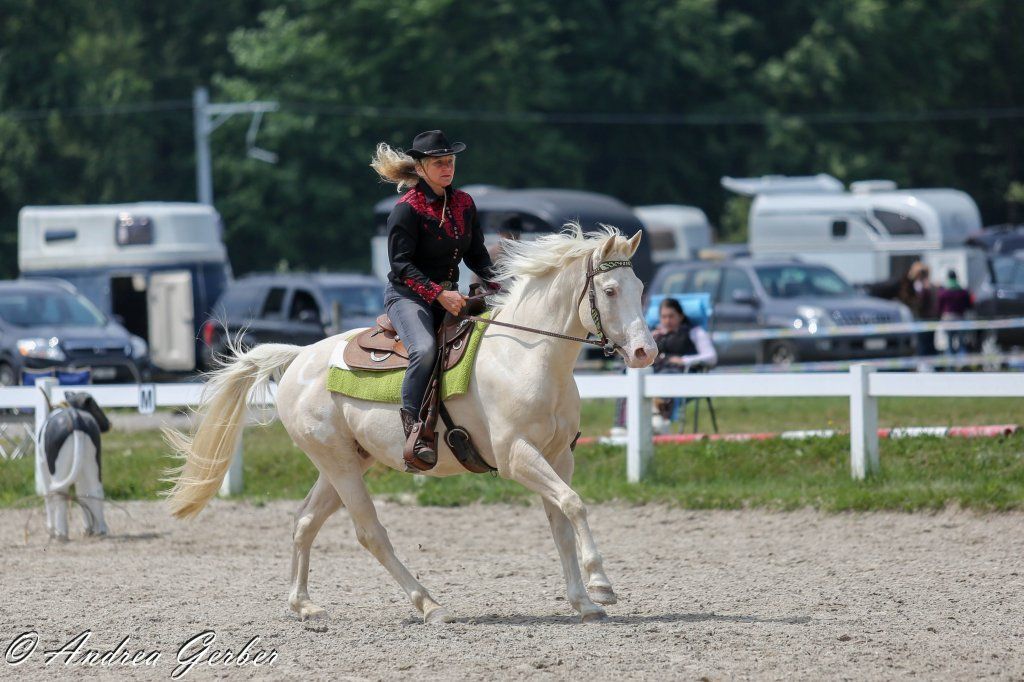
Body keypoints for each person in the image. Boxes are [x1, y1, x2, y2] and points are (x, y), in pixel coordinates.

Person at [370, 130, 498, 468]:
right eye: (439, 163)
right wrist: (438, 294)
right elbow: (400, 265)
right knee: (424, 349)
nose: (447, 168)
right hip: (408, 296)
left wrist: (500, 284)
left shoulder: (464, 203)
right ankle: (414, 431)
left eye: (450, 161)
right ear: (420, 168)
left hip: (450, 296)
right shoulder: (406, 210)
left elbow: (477, 255)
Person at [651, 297, 718, 424]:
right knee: (629, 373)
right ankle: (623, 424)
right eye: (664, 317)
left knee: (664, 377)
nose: (667, 320)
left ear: (681, 316)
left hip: (684, 376)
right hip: (656, 373)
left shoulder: (695, 332)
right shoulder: (655, 335)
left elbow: (711, 357)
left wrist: (685, 360)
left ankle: (662, 421)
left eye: (671, 316)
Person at [936, 269, 973, 355]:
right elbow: (969, 306)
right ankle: (963, 361)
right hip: (960, 317)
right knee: (961, 342)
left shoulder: (943, 292)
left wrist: (938, 316)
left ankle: (950, 361)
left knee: (949, 342)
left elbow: (939, 307)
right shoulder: (963, 291)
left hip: (947, 318)